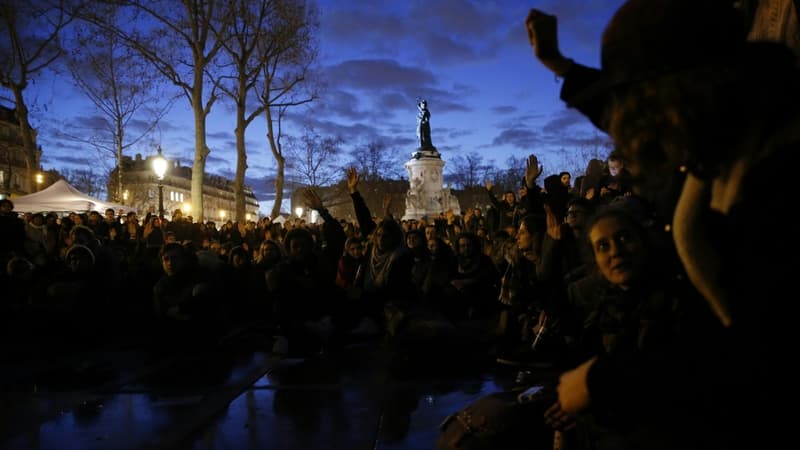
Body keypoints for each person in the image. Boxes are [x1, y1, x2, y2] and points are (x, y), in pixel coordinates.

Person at [527, 0, 800, 448]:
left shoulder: (777, 182)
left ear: (685, 95)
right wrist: (559, 64)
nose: (636, 136)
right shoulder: (715, 146)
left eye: (644, 113)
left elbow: (754, 353)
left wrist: (602, 381)